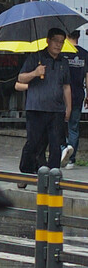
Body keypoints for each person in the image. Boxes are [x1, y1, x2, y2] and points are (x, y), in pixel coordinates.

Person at [19, 28, 72, 175]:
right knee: (34, 143)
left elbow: (66, 86)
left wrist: (68, 107)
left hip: (56, 110)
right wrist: (35, 73)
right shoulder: (35, 57)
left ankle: (53, 174)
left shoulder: (64, 62)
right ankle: (26, 171)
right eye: (55, 41)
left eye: (61, 42)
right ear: (48, 40)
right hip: (36, 108)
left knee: (55, 145)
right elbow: (20, 78)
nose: (58, 45)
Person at [61, 30, 88, 169]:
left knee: (59, 126)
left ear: (66, 36)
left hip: (62, 94)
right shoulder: (84, 54)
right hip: (78, 94)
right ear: (78, 36)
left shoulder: (63, 53)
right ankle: (71, 159)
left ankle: (62, 151)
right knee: (74, 127)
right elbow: (87, 78)